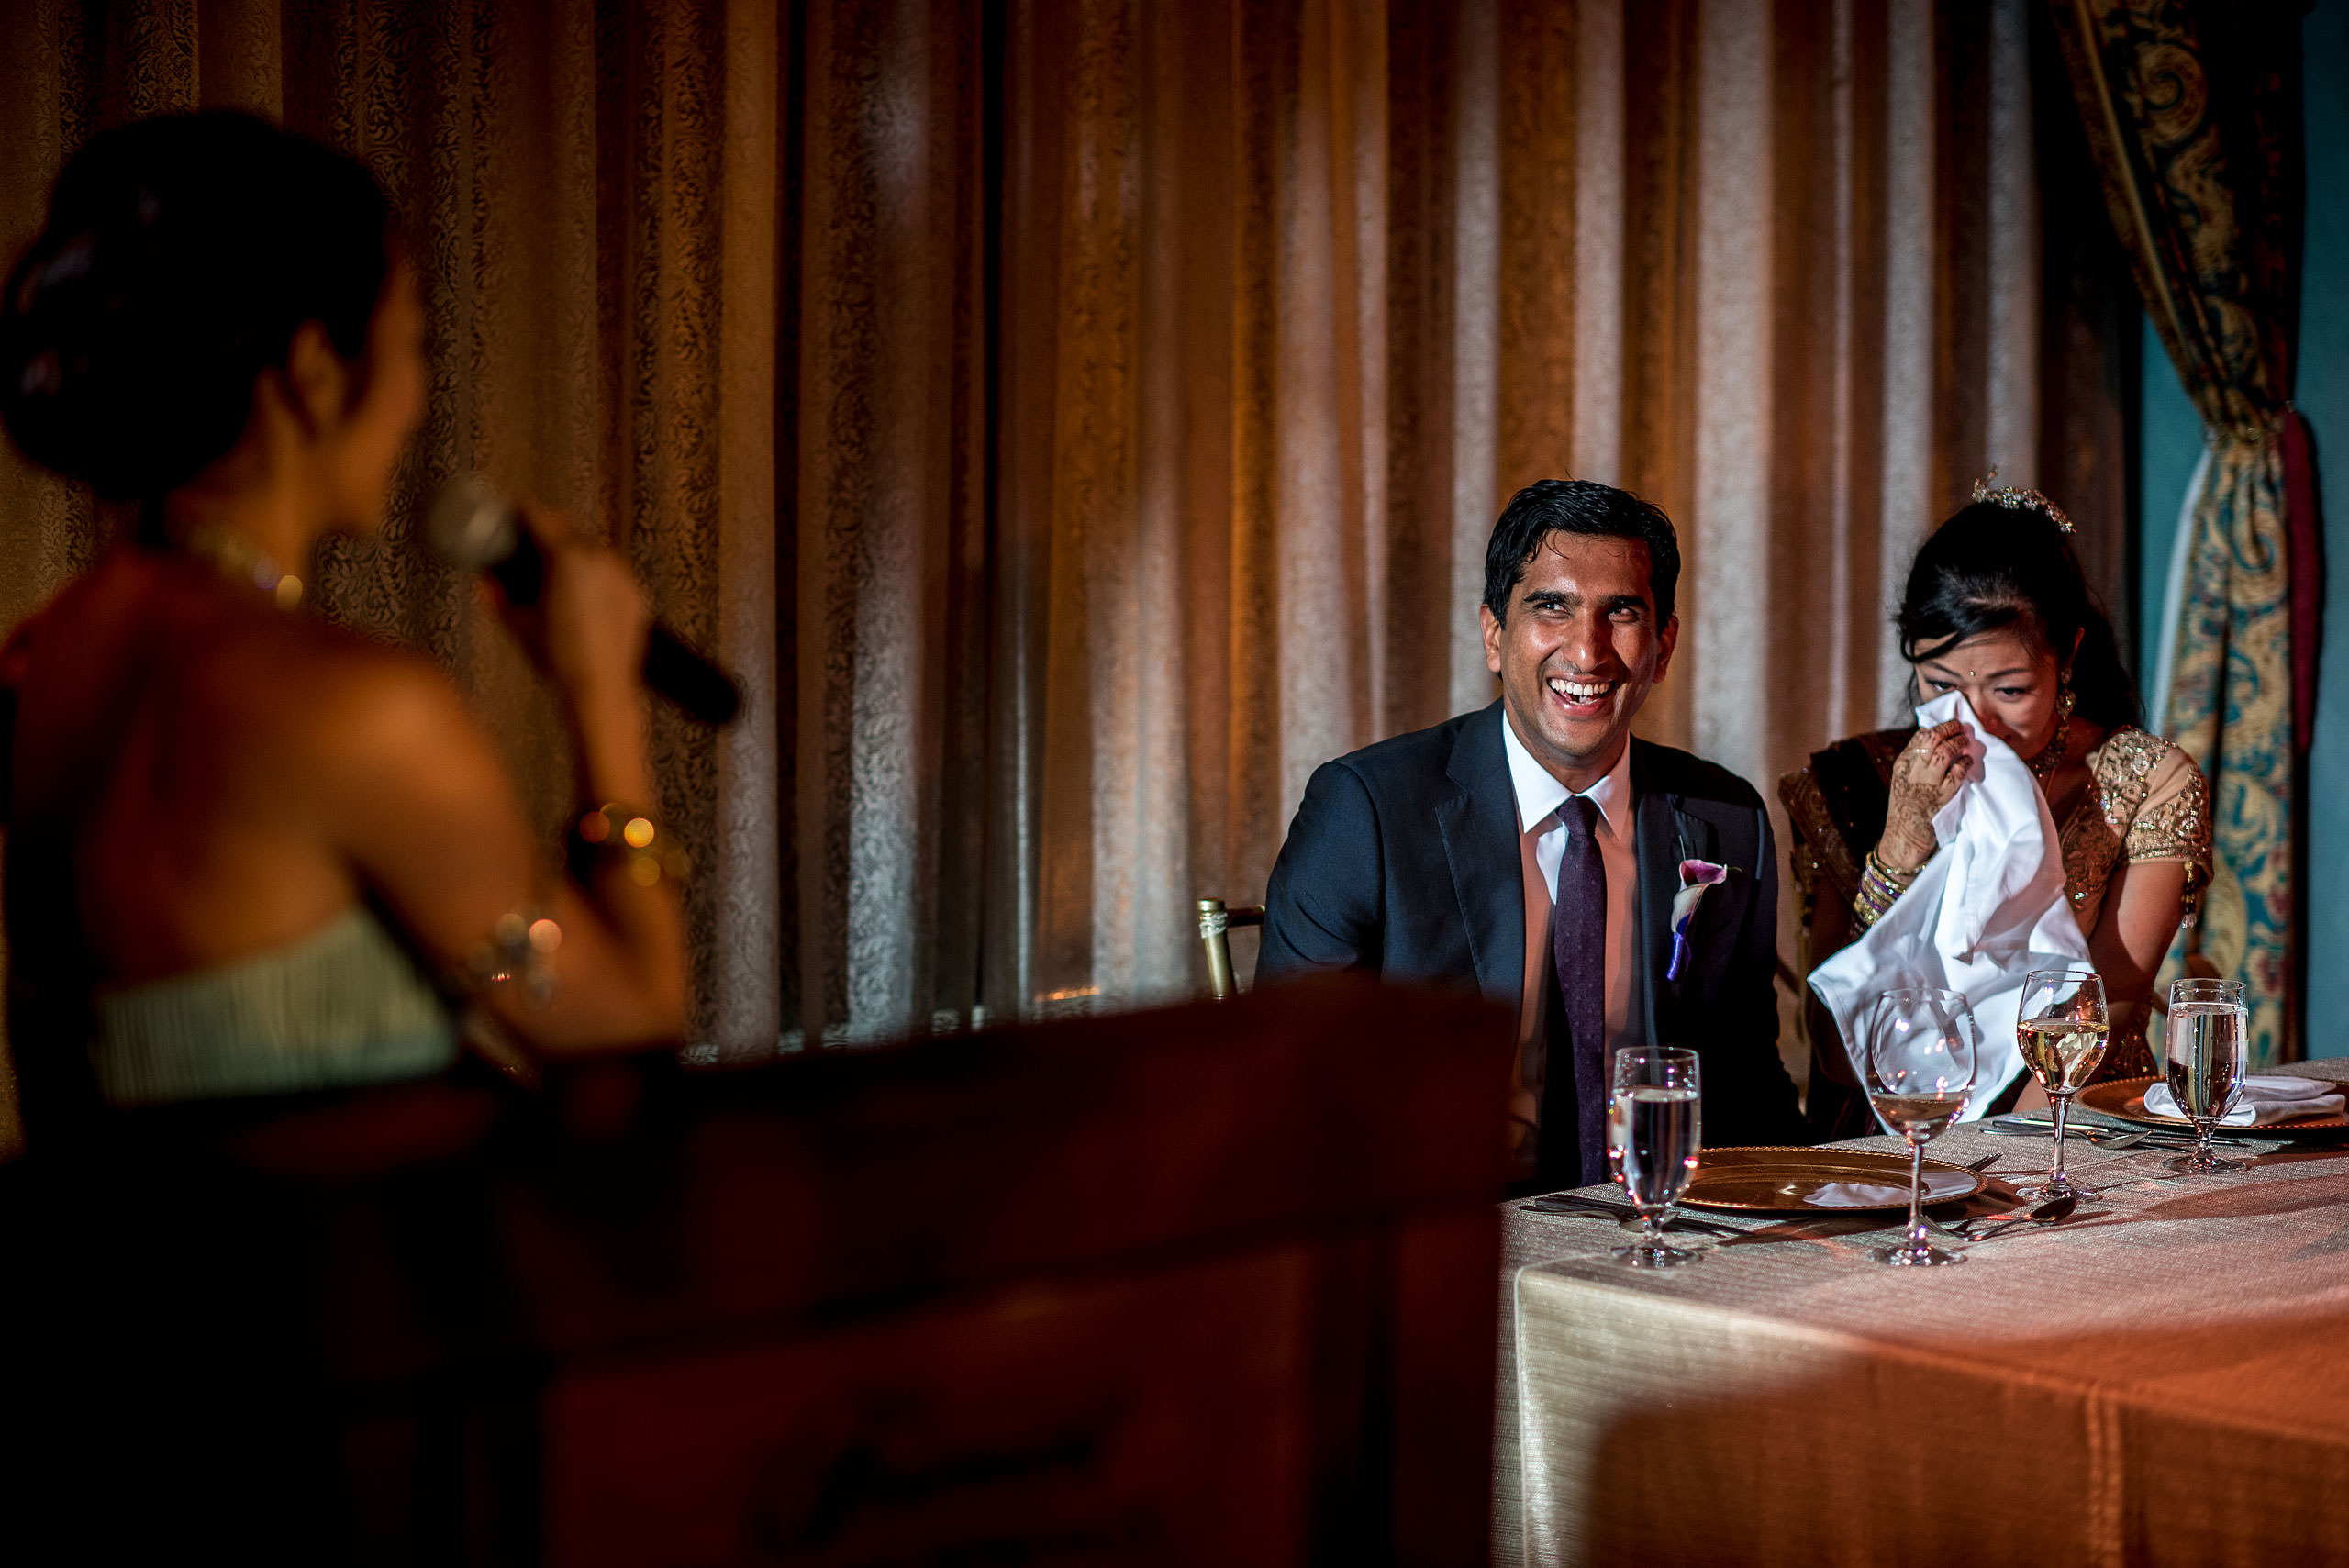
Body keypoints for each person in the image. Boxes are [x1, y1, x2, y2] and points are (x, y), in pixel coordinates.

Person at [0, 112, 687, 1149]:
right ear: (316, 368)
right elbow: (624, 1024)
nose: (415, 399)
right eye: (413, 343)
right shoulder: (356, 718)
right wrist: (599, 692)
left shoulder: (46, 656)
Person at [1257, 479, 1806, 1190]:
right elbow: (1292, 1088)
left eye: (1623, 612)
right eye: (1552, 606)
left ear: (1663, 647)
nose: (1587, 650)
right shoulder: (1369, 811)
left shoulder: (1726, 820)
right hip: (1438, 1242)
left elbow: (1748, 1087)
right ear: (1494, 634)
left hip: (1661, 1238)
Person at [1782, 484, 2211, 1139]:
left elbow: (2110, 1004)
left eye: (2009, 690)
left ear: (2067, 656)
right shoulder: (1850, 783)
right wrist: (1902, 841)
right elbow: (1836, 1049)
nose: (1975, 722)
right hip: (1887, 1136)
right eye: (1941, 686)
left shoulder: (2146, 780)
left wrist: (1996, 1165)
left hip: (2068, 1128)